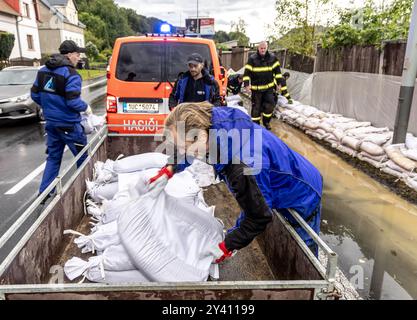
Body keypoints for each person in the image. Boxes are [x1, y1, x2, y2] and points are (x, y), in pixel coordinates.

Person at [147, 102, 323, 263]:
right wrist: (170, 168)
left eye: (185, 147)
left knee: (302, 248)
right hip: (282, 170)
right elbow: (188, 148)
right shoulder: (213, 122)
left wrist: (228, 245)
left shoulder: (245, 165)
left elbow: (258, 216)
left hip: (302, 191)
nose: (183, 151)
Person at [31, 40, 92, 198]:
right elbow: (73, 101)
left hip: (51, 125)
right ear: (70, 55)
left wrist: (50, 107)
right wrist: (86, 108)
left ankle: (44, 194)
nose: (79, 57)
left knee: (53, 158)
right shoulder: (71, 74)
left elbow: (35, 94)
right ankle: (86, 193)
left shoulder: (43, 71)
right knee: (83, 158)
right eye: (78, 54)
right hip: (69, 125)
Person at [243, 41, 292, 130]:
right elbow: (246, 73)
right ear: (258, 48)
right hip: (256, 90)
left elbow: (277, 72)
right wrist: (246, 85)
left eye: (264, 48)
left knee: (270, 106)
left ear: (267, 48)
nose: (263, 50)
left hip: (268, 88)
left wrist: (279, 83)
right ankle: (256, 125)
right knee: (256, 108)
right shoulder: (252, 59)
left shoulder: (272, 58)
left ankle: (266, 122)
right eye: (261, 48)